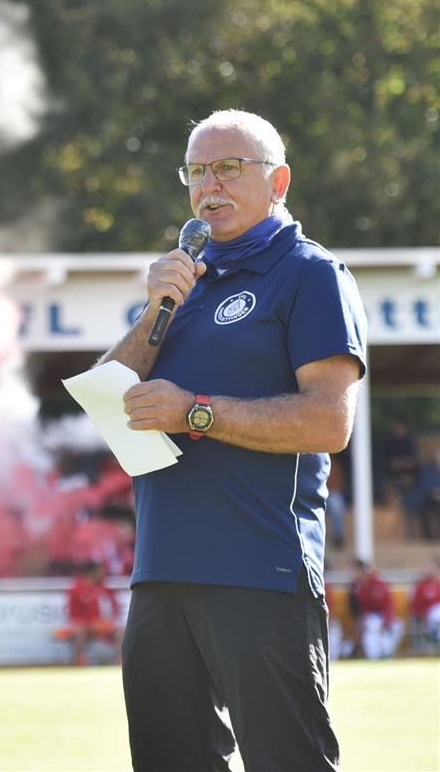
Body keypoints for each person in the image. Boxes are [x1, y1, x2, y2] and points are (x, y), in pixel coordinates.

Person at [99, 109, 366, 770]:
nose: (207, 185)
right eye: (196, 171)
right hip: (160, 575)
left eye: (227, 168)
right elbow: (112, 398)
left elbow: (329, 422)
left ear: (278, 180)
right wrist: (158, 307)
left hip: (259, 569)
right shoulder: (183, 280)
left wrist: (196, 413)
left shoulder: (311, 274)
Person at [65, 561, 122, 665]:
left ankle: (121, 660)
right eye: (100, 572)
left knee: (122, 631)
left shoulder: (106, 589)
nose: (103, 574)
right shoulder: (76, 590)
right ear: (91, 573)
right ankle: (79, 661)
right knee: (78, 632)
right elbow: (73, 615)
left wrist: (108, 622)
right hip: (86, 627)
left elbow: (116, 608)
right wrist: (90, 624)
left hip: (104, 625)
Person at [348, 558, 404, 659]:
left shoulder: (379, 583)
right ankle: (375, 657)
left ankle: (387, 653)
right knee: (371, 630)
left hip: (383, 618)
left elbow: (388, 606)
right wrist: (361, 619)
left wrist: (385, 621)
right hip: (367, 619)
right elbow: (355, 609)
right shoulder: (355, 587)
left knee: (397, 626)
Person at [410, 556, 440, 644]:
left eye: (433, 568)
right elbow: (415, 606)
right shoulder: (421, 586)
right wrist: (422, 616)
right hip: (427, 620)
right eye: (429, 568)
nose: (430, 571)